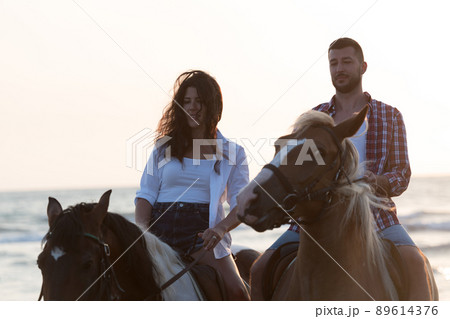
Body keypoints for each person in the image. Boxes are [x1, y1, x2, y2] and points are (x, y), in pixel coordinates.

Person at [238, 38, 432, 300]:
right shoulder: (313, 118)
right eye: (333, 63)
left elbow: (401, 174)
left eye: (346, 62)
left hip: (376, 217)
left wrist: (376, 181)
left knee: (415, 264)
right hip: (312, 217)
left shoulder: (390, 116)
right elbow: (292, 167)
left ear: (362, 67)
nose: (339, 68)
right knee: (260, 268)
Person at [135, 70, 250, 300]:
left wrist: (220, 229)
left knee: (238, 291)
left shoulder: (233, 152)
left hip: (203, 239)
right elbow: (146, 195)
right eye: (187, 101)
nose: (193, 107)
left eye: (199, 101)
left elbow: (241, 205)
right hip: (159, 235)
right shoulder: (163, 148)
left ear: (213, 106)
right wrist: (141, 234)